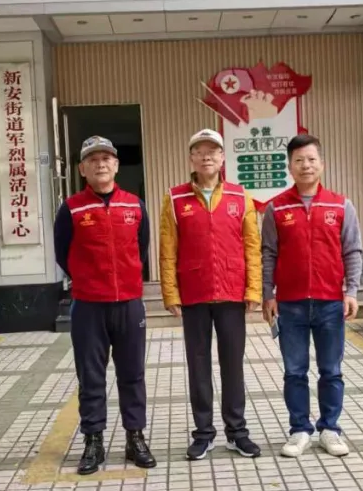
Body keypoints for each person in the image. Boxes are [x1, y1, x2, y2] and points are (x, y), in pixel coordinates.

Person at [53, 135, 157, 475]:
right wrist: (88, 280)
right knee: (91, 376)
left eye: (106, 158)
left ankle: (135, 438)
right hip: (89, 306)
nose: (100, 164)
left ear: (116, 165)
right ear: (82, 169)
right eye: (92, 159)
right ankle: (93, 441)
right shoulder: (71, 209)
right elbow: (62, 253)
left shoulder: (135, 205)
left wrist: (124, 279)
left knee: (132, 374)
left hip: (129, 304)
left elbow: (141, 249)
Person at [159, 128, 263, 461]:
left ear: (222, 158)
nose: (206, 157)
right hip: (194, 294)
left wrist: (254, 289)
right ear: (191, 158)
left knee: (233, 365)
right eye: (200, 151)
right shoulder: (175, 199)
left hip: (232, 293)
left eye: (213, 151)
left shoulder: (240, 196)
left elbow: (252, 246)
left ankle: (237, 432)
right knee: (198, 365)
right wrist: (170, 293)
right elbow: (167, 250)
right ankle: (203, 434)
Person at [261, 133, 362, 458]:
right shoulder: (276, 208)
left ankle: (330, 429)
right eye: (299, 160)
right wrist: (267, 294)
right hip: (290, 304)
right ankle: (299, 430)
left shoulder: (341, 205)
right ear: (290, 167)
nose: (306, 165)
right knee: (295, 371)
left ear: (322, 164)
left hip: (330, 302)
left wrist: (351, 291)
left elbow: (352, 250)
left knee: (331, 370)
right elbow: (268, 254)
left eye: (311, 159)